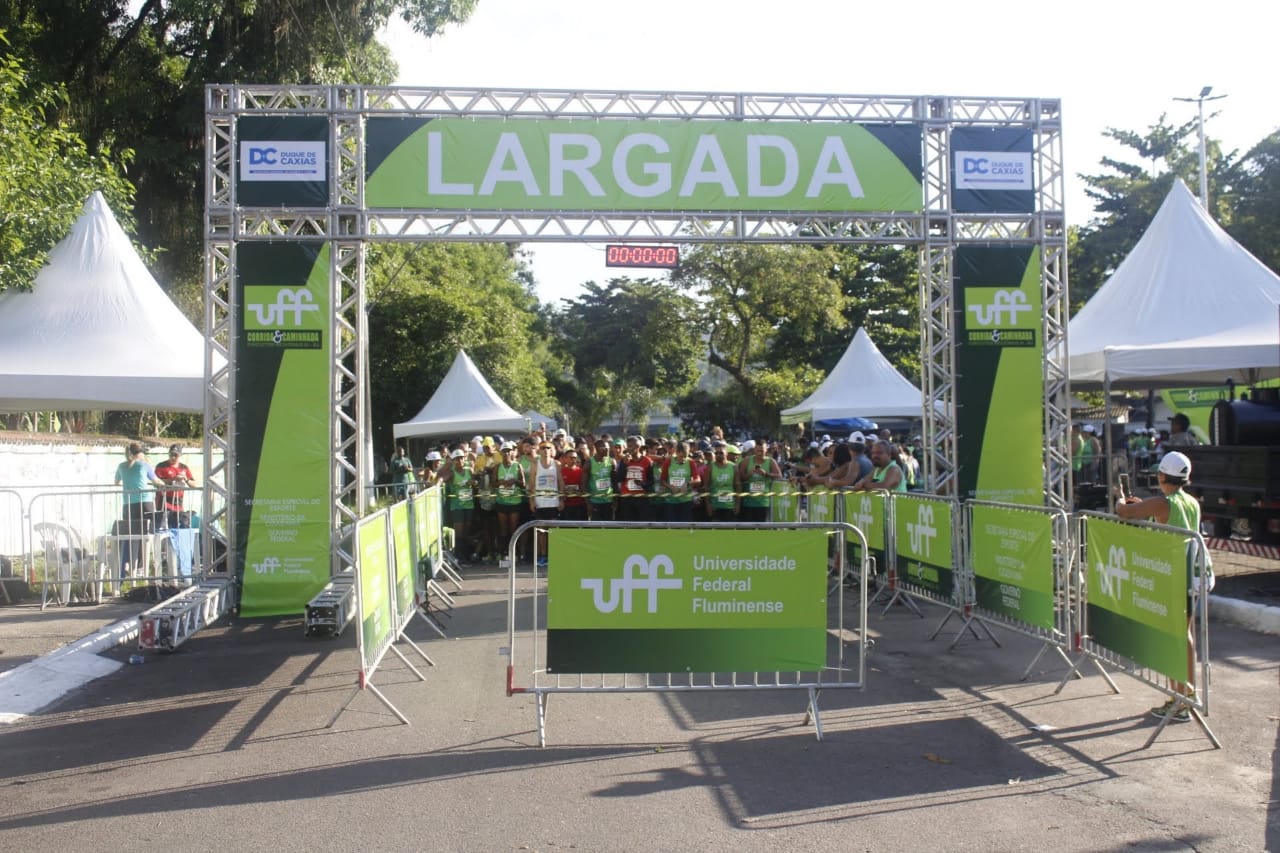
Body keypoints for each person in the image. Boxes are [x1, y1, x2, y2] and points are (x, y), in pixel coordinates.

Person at [1115, 450, 1214, 723]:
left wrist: (1121, 499)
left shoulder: (1162, 502)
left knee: (1172, 640)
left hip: (1172, 580)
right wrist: (1142, 506)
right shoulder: (1191, 502)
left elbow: (1124, 513)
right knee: (1186, 637)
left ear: (1161, 476)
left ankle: (1180, 700)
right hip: (1189, 579)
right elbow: (1158, 516)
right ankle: (1186, 695)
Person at [113, 442, 164, 577]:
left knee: (129, 534)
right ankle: (141, 566)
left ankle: (129, 564)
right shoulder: (144, 465)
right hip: (145, 502)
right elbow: (156, 481)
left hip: (128, 503)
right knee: (146, 534)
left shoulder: (121, 466)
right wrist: (164, 484)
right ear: (139, 453)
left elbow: (116, 482)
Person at [530, 440, 563, 568]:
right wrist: (531, 500)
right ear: (539, 450)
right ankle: (543, 556)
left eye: (548, 448)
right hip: (540, 502)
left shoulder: (556, 464)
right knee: (541, 532)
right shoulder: (535, 464)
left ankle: (554, 554)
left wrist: (561, 499)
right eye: (543, 448)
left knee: (554, 530)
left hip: (553, 502)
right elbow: (531, 484)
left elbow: (560, 482)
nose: (545, 450)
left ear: (552, 450)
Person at [493, 442, 527, 564]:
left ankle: (515, 553)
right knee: (503, 529)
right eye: (504, 451)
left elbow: (523, 484)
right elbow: (493, 484)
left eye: (509, 451)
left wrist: (514, 481)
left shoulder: (518, 466)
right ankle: (504, 553)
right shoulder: (497, 467)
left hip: (514, 502)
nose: (507, 453)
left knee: (513, 528)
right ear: (501, 453)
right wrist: (500, 482)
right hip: (502, 501)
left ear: (512, 452)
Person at [442, 449, 475, 563]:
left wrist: (473, 482)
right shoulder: (452, 473)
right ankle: (458, 556)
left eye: (461, 458)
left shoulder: (469, 470)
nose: (459, 461)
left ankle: (466, 556)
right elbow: (443, 480)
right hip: (457, 506)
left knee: (467, 530)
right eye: (456, 459)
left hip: (469, 505)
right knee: (459, 532)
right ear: (453, 461)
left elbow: (476, 483)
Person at [737, 438, 782, 523]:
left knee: (762, 528)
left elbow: (779, 476)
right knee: (748, 529)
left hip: (763, 502)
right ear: (754, 450)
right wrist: (749, 474)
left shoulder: (770, 461)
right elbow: (740, 478)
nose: (760, 453)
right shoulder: (746, 461)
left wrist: (766, 474)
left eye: (762, 451)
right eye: (758, 451)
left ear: (766, 450)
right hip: (748, 502)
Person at [154, 444, 197, 529]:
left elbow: (194, 484)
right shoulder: (161, 466)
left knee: (178, 526)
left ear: (180, 455)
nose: (173, 457)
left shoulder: (184, 467)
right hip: (164, 501)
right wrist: (173, 479)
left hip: (178, 502)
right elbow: (157, 482)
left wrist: (186, 479)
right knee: (165, 527)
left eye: (176, 455)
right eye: (171, 455)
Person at [705, 441, 739, 522]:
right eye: (716, 453)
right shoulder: (710, 467)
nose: (718, 455)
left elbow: (738, 486)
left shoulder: (734, 467)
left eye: (721, 453)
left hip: (730, 506)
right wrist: (708, 505)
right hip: (715, 506)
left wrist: (738, 504)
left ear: (726, 453)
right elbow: (706, 487)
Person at [586, 439, 619, 521]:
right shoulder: (589, 463)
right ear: (597, 449)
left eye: (608, 448)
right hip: (595, 501)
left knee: (609, 528)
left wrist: (615, 500)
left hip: (608, 501)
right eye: (604, 448)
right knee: (596, 529)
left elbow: (615, 482)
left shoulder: (612, 462)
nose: (607, 450)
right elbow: (584, 484)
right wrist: (588, 503)